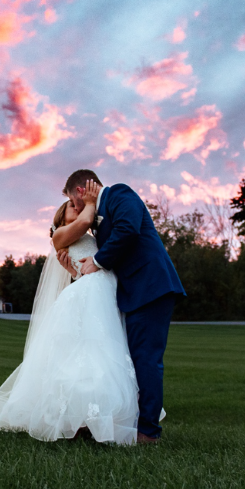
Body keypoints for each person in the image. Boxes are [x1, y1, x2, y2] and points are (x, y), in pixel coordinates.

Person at [0, 182, 147, 445]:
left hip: (103, 288)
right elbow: (85, 222)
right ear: (61, 218)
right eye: (72, 206)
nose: (79, 207)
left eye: (79, 205)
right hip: (92, 292)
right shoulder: (60, 235)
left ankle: (95, 418)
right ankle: (83, 419)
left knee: (104, 351)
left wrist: (75, 272)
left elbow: (87, 263)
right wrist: (92, 202)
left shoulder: (91, 236)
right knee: (89, 353)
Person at [60, 170, 185, 443]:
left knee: (146, 359)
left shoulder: (119, 193)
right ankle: (118, 423)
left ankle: (148, 433)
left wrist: (97, 260)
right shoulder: (95, 218)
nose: (75, 206)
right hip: (131, 293)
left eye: (72, 200)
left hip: (151, 287)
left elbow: (128, 229)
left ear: (79, 191)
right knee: (126, 362)